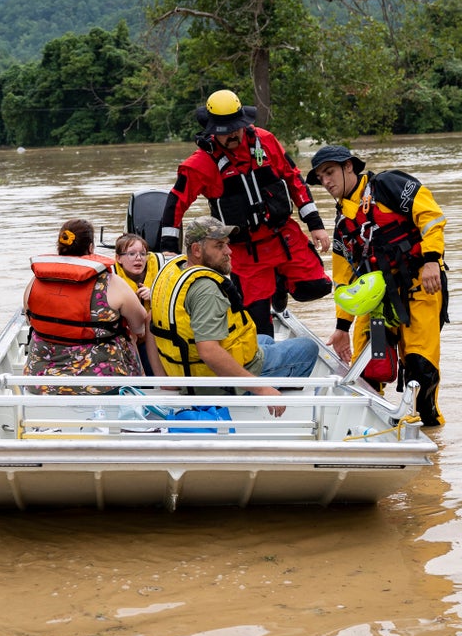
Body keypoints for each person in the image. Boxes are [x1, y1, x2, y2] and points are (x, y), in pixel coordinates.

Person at [157, 89, 332, 335]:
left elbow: (293, 179)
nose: (233, 135)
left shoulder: (266, 141)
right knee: (259, 327)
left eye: (236, 128)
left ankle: (279, 283)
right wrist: (168, 248)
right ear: (212, 130)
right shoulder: (200, 164)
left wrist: (315, 223)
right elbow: (176, 202)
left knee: (318, 287)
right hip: (244, 251)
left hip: (283, 236)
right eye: (225, 131)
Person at [307, 144, 449, 426]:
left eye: (329, 172)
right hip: (377, 303)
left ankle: (430, 430)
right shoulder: (343, 225)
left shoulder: (388, 186)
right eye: (320, 177)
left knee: (421, 367)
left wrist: (432, 259)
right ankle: (374, 428)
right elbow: (344, 281)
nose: (325, 181)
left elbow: (432, 217)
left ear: (349, 166)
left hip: (420, 286)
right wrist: (341, 327)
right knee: (367, 373)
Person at [150, 216, 320, 417]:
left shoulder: (174, 271)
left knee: (264, 339)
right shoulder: (206, 290)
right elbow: (209, 352)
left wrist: (165, 380)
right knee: (308, 348)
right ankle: (279, 407)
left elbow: (150, 320)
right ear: (196, 250)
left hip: (186, 372)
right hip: (214, 383)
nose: (229, 252)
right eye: (219, 246)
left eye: (227, 245)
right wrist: (261, 388)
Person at [24, 219, 153, 394]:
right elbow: (139, 326)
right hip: (102, 384)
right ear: (91, 248)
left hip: (40, 382)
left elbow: (29, 319)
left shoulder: (35, 282)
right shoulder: (111, 283)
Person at [113, 232, 163, 373]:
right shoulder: (112, 277)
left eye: (143, 253)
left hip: (154, 338)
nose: (139, 258)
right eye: (131, 254)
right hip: (129, 339)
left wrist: (154, 295)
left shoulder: (160, 271)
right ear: (119, 258)